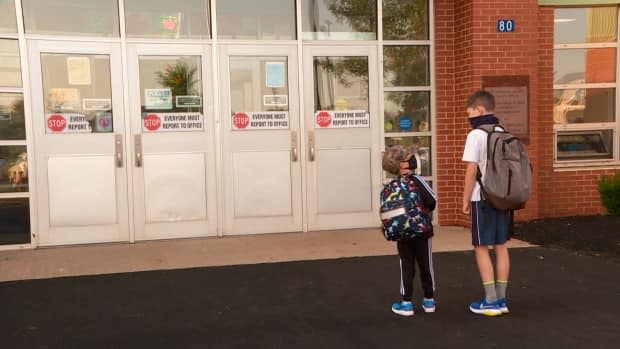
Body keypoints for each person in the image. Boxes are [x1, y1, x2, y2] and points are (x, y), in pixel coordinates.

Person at [461, 90, 512, 317]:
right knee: (501, 246)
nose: (469, 117)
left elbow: (472, 169)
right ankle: (501, 298)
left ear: (479, 109)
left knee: (481, 247)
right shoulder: (503, 131)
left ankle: (490, 300)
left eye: (470, 112)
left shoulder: (476, 134)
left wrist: (464, 199)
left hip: (482, 198)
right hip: (503, 197)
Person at [382, 145, 436, 317]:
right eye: (407, 157)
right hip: (422, 231)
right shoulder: (417, 180)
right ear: (402, 165)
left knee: (406, 266)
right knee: (426, 264)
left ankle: (406, 303)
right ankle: (429, 300)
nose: (412, 158)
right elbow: (432, 200)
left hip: (402, 234)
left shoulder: (390, 187)